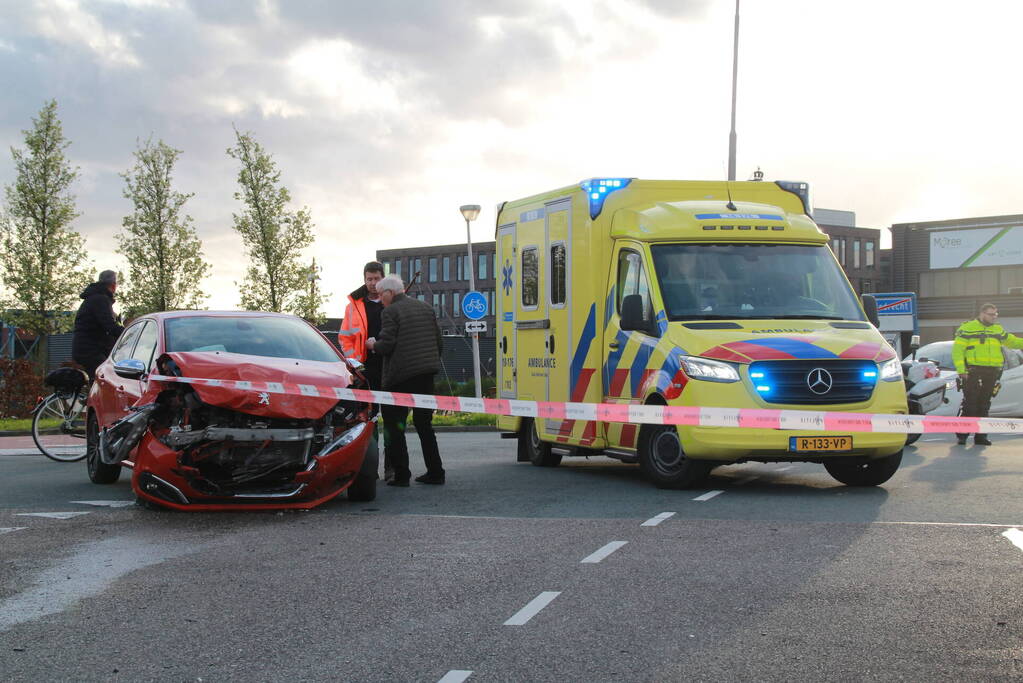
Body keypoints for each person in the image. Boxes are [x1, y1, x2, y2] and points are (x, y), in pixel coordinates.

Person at [366, 274, 445, 486]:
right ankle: (436, 472)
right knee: (424, 425)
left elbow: (387, 345)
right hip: (426, 375)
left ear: (390, 293)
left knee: (394, 426)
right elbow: (439, 342)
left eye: (382, 295)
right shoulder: (426, 308)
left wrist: (373, 344)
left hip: (400, 378)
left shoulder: (390, 311)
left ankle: (401, 475)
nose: (381, 300)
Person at [339, 262, 390, 478]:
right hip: (365, 368)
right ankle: (370, 466)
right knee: (368, 418)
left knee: (392, 417)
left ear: (383, 278)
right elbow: (345, 337)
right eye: (369, 279)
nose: (372, 283)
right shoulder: (354, 305)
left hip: (390, 366)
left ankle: (392, 466)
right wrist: (354, 362)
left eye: (376, 278)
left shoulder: (393, 301)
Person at [952, 303, 1023, 446]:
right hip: (972, 372)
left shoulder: (997, 329)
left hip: (992, 372)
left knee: (984, 405)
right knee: (970, 405)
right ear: (982, 314)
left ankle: (981, 437)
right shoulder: (967, 328)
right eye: (991, 314)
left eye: (996, 314)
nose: (994, 317)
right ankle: (962, 435)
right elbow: (958, 351)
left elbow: (1012, 342)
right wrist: (961, 370)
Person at [71, 270, 124, 381]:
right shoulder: (100, 300)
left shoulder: (94, 298)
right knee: (108, 379)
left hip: (85, 349)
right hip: (90, 351)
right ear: (113, 285)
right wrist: (128, 333)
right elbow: (109, 326)